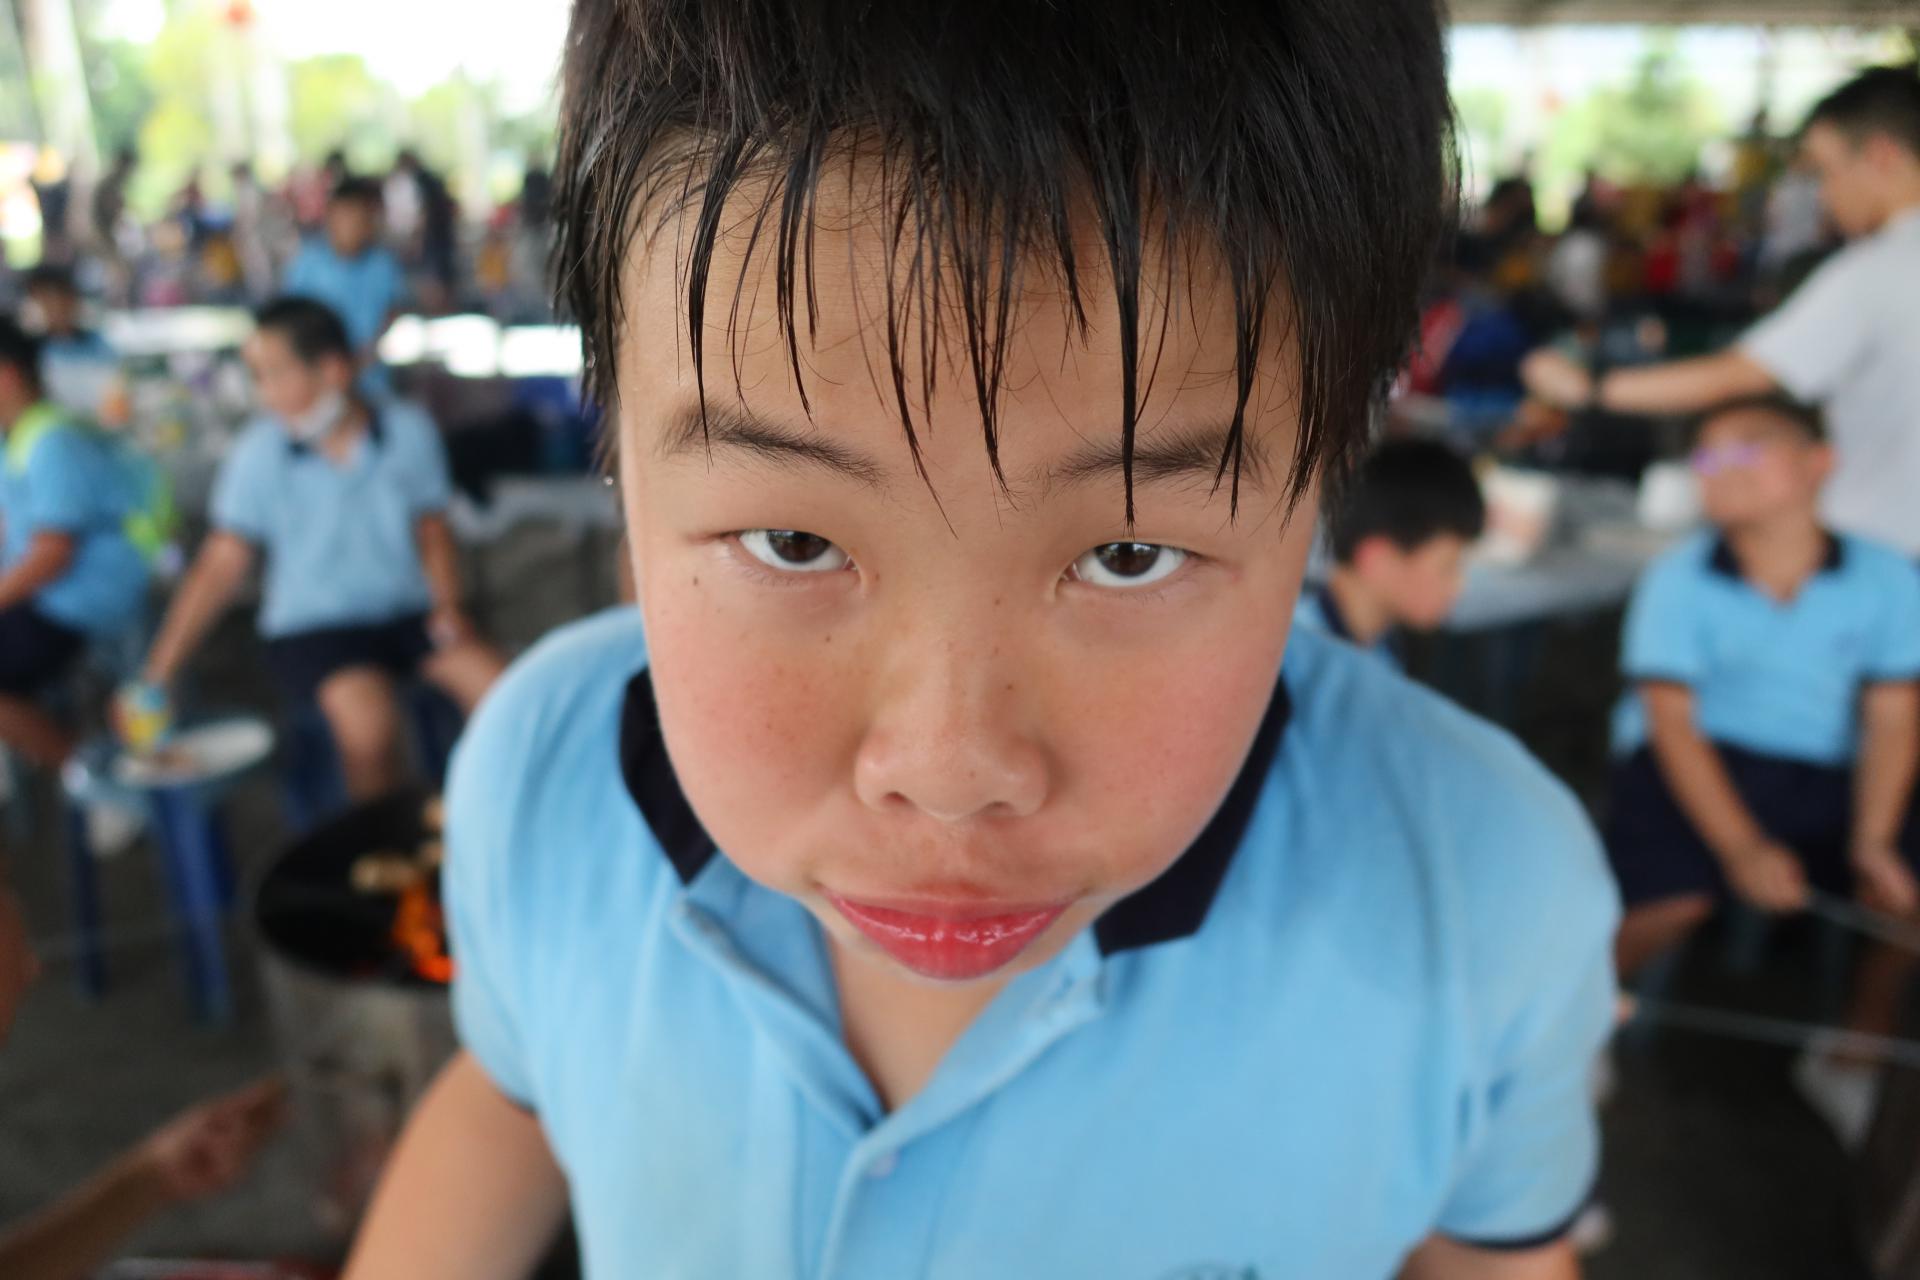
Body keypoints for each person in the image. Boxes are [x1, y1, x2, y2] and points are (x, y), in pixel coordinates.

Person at [346, 2, 1617, 1276]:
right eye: (793, 539)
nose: (949, 770)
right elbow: (514, 1096)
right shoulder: (542, 777)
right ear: (617, 454)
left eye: (1130, 553)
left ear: (1326, 489)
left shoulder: (1487, 897)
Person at [1605, 396, 1920, 1144]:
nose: (1724, 468)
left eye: (1751, 446)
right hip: (1692, 758)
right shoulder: (1679, 577)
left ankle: (1853, 1052)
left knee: (1905, 892)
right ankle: (1573, 1020)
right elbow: (1672, 723)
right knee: (1668, 900)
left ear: (1819, 463)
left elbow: (1892, 718)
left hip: (1825, 771)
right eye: (1708, 455)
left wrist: (1873, 840)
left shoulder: (1887, 577)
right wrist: (1742, 847)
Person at [1524, 65, 1920, 555]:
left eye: (1826, 171)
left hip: (1889, 553)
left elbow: (1738, 376)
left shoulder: (1878, 270)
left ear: (1882, 155)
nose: (1824, 195)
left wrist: (1589, 389)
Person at [132, 298, 504, 801]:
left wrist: (449, 606)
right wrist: (159, 670)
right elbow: (220, 566)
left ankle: (485, 820)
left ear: (332, 369)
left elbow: (432, 531)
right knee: (370, 730)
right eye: (257, 377)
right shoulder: (259, 454)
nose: (264, 394)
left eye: (273, 375)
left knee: (504, 694)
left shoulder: (407, 431)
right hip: (314, 632)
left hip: (410, 618)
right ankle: (383, 842)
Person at [0, 319, 149, 772]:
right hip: (48, 596)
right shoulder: (19, 437)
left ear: (6, 375)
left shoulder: (53, 442)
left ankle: (85, 773)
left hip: (81, 599)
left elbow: (53, 553)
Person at [1299, 437, 1485, 663]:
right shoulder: (1294, 656)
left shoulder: (1380, 648)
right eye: (1447, 566)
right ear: (1377, 560)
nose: (1458, 587)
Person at [282, 177, 408, 385]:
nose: (351, 227)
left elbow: (393, 314)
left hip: (369, 378)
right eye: (344, 218)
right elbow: (293, 319)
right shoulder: (307, 263)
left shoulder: (384, 265)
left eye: (359, 219)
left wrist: (362, 359)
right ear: (330, 218)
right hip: (319, 378)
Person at [21, 264, 120, 421]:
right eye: (45, 300)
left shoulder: (98, 344)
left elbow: (115, 390)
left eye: (60, 298)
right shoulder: (30, 352)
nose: (55, 307)